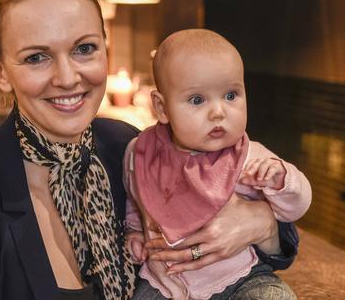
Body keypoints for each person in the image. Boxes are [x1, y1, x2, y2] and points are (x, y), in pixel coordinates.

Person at [0, 0, 299, 300]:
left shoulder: (130, 147)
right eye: (37, 57)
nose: (67, 77)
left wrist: (261, 224)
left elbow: (270, 240)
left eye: (84, 49)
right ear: (0, 71)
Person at [124, 29, 312, 300]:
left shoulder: (248, 157)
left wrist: (282, 180)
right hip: (165, 283)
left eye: (231, 95)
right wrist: (134, 233)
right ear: (162, 108)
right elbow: (137, 201)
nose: (218, 112)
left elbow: (297, 206)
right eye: (197, 100)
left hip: (240, 278)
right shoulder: (140, 154)